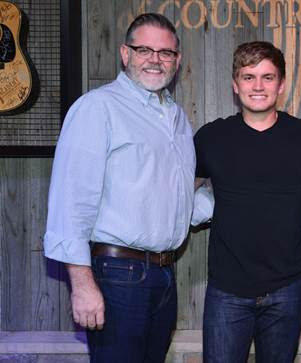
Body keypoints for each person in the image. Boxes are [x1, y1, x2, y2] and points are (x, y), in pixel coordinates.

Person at [43, 13, 195, 363]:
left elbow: (176, 199)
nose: (155, 60)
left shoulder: (175, 117)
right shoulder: (98, 108)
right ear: (125, 54)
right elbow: (71, 201)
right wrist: (82, 285)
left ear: (177, 60)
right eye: (145, 50)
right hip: (117, 277)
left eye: (166, 53)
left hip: (163, 276)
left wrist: (241, 195)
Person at [194, 41, 301, 363]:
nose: (258, 86)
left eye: (268, 77)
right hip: (227, 289)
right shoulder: (211, 138)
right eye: (248, 76)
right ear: (235, 84)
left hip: (287, 288)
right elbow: (179, 193)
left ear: (281, 85)